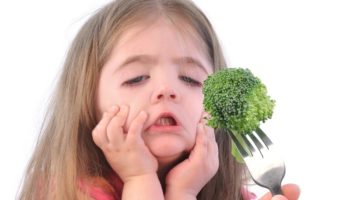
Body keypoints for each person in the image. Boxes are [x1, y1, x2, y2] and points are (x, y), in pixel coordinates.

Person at [18, 0, 300, 199]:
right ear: (87, 102)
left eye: (190, 79)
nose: (167, 90)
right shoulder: (67, 193)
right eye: (136, 78)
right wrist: (143, 180)